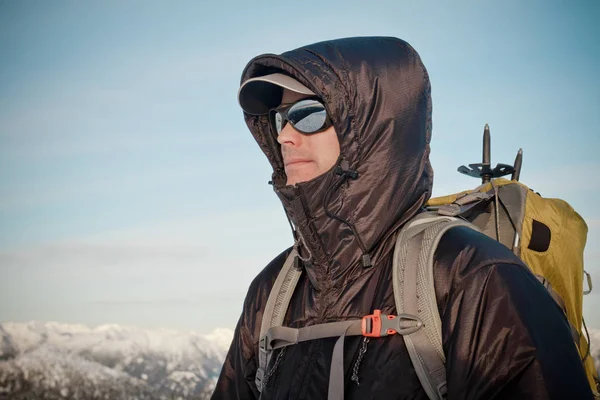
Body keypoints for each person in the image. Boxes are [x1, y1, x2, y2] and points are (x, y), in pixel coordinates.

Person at [212, 36, 593, 399]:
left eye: (308, 114)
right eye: (280, 119)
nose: (285, 137)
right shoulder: (272, 292)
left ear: (370, 126)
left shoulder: (472, 276)